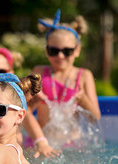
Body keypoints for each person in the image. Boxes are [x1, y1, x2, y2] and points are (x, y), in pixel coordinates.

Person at [24, 9, 101, 149]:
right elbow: (22, 111)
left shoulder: (84, 76)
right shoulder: (39, 72)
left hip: (72, 144)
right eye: (54, 51)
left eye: (67, 51)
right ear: (46, 50)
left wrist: (83, 100)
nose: (60, 56)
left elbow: (95, 117)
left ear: (77, 50)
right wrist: (35, 101)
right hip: (41, 142)